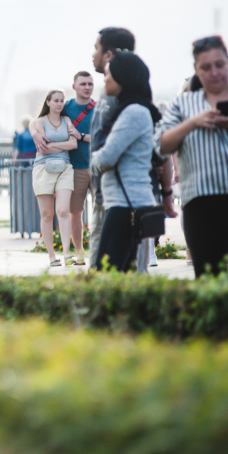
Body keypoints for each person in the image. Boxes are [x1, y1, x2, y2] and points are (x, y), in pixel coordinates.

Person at [156, 36, 228, 276]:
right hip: (200, 202)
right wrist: (192, 123)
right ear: (196, 69)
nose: (214, 73)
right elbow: (161, 145)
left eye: (219, 65)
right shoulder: (183, 103)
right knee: (208, 279)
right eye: (206, 67)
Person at [90, 52, 160, 271]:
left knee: (109, 275)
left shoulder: (133, 112)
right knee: (128, 274)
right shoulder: (135, 109)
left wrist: (94, 158)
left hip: (127, 206)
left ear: (124, 78)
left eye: (109, 74)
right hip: (128, 202)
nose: (105, 79)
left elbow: (107, 157)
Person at [85, 27, 136, 267]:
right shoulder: (107, 90)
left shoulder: (126, 93)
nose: (92, 55)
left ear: (109, 54)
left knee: (111, 269)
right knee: (99, 268)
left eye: (96, 48)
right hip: (101, 192)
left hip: (118, 196)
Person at [30, 89, 78, 267]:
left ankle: (66, 253)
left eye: (62, 101)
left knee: (64, 211)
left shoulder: (67, 121)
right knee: (46, 214)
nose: (59, 104)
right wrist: (63, 145)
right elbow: (43, 149)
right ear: (48, 102)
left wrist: (54, 145)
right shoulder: (40, 122)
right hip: (43, 169)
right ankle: (52, 256)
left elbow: (73, 144)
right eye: (56, 100)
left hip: (65, 168)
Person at [65, 71, 95, 264]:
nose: (87, 87)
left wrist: (81, 136)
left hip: (99, 166)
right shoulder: (65, 107)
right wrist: (35, 133)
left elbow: (105, 138)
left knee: (103, 209)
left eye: (90, 84)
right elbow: (41, 119)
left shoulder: (100, 109)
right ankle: (79, 253)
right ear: (74, 86)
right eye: (83, 84)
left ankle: (101, 250)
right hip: (75, 168)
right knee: (75, 212)